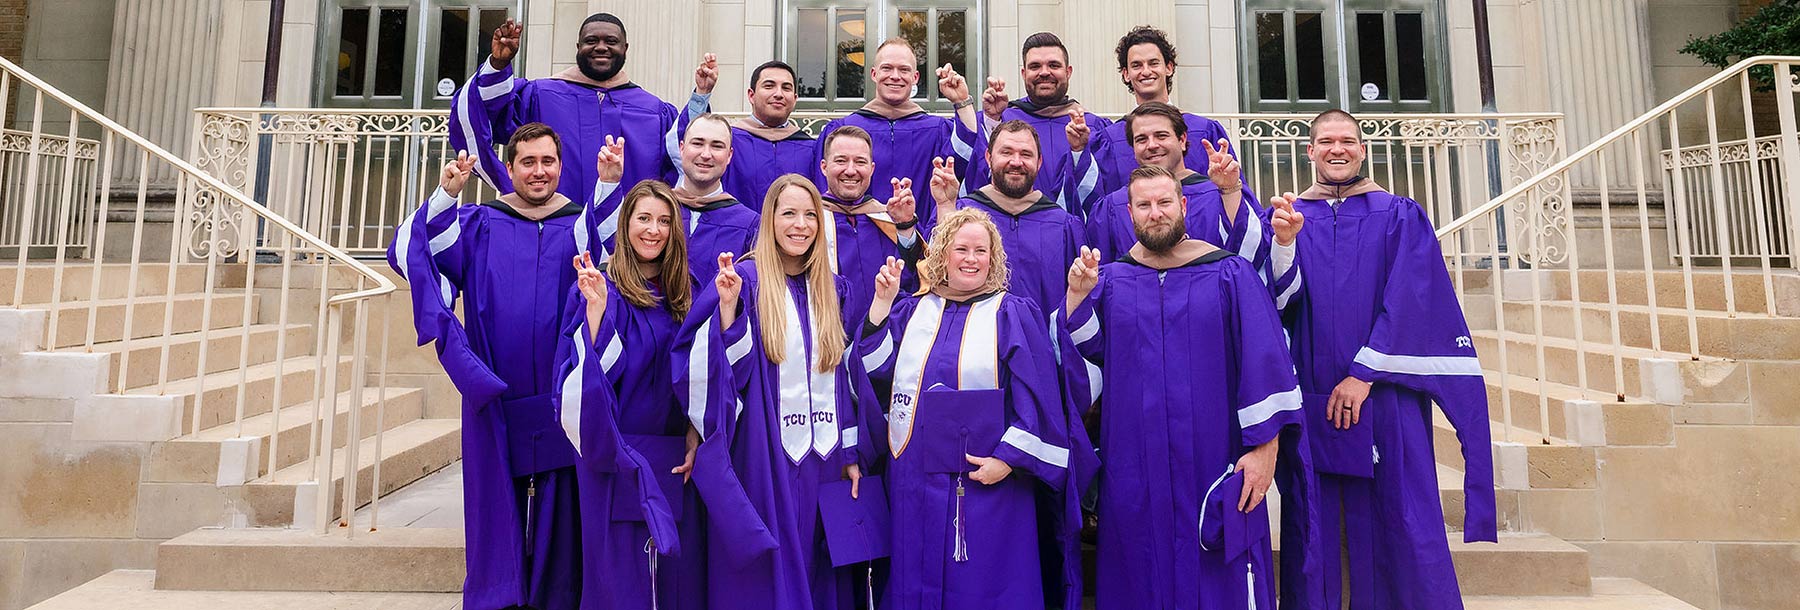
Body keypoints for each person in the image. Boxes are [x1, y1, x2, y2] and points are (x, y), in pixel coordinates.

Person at [1061, 165, 1323, 610]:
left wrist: (1265, 450)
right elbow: (1088, 357)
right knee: (1138, 572)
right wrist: (1075, 297)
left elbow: (1266, 362)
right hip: (1134, 465)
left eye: (1164, 202)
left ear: (1183, 206)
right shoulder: (1112, 281)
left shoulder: (1230, 274)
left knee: (1219, 572)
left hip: (1213, 460)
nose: (1155, 212)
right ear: (1130, 214)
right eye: (1144, 205)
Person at [1278, 109, 1496, 609]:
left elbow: (1413, 298)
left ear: (1362, 148)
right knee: (1314, 525)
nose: (1338, 149)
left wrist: (1363, 374)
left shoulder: (1399, 213)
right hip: (1313, 394)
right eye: (1326, 141)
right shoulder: (1292, 220)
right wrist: (1284, 245)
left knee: (1401, 517)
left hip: (1386, 398)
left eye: (1348, 141)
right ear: (1309, 151)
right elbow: (1277, 303)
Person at [387, 123, 587, 610]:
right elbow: (409, 252)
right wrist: (445, 195)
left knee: (564, 504)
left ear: (560, 167)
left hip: (566, 388)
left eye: (547, 162)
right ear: (510, 167)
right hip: (496, 389)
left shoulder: (583, 225)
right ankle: (498, 598)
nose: (539, 172)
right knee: (495, 498)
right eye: (528, 162)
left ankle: (557, 598)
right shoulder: (479, 223)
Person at [855, 209, 1080, 610]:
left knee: (981, 588)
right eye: (961, 249)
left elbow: (1039, 395)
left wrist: (1009, 460)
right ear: (942, 255)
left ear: (994, 259)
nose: (971, 258)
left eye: (981, 250)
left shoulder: (1011, 312)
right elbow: (875, 373)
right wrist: (880, 306)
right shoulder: (912, 311)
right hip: (915, 482)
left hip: (988, 484)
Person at [672, 174, 878, 610]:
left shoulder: (834, 289)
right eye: (788, 213)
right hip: (762, 453)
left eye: (809, 215)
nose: (800, 224)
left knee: (822, 566)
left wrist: (851, 453)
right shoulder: (741, 281)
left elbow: (847, 382)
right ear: (769, 219)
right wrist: (729, 315)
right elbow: (714, 369)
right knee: (767, 574)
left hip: (825, 458)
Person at [557, 180, 704, 610]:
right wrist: (597, 313)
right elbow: (578, 377)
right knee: (619, 573)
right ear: (625, 225)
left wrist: (697, 431)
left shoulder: (687, 291)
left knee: (675, 572)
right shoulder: (597, 288)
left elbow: (703, 373)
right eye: (644, 219)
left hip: (677, 452)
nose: (653, 230)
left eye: (663, 220)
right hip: (614, 451)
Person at [451, 14, 713, 210]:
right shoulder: (539, 95)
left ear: (625, 49)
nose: (601, 47)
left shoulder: (652, 110)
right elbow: (484, 114)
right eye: (591, 41)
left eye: (611, 41)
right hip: (550, 227)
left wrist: (700, 96)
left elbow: (681, 155)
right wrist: (498, 64)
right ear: (578, 47)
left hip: (626, 242)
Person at [1082, 103, 1294, 305]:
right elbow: (1104, 279)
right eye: (1141, 139)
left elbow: (1250, 260)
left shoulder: (1220, 192)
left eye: (1161, 135)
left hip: (1212, 320)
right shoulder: (1114, 205)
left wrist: (1229, 191)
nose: (1152, 145)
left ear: (1182, 140)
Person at [814, 37, 985, 230]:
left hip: (922, 246)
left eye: (904, 70)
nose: (895, 76)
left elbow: (966, 158)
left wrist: (961, 100)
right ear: (873, 74)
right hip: (853, 242)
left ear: (915, 77)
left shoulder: (937, 131)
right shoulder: (841, 131)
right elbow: (824, 194)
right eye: (887, 68)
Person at [927, 120, 1085, 317]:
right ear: (988, 157)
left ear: (1039, 162)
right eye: (1006, 152)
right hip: (974, 340)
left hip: (1042, 345)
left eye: (1026, 154)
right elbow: (933, 275)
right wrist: (945, 207)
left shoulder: (1063, 225)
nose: (1016, 162)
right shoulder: (960, 212)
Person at [593, 114, 758, 284]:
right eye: (697, 143)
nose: (706, 154)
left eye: (717, 146)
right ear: (681, 148)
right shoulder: (653, 208)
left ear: (729, 155)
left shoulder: (749, 225)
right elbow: (617, 249)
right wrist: (609, 182)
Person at [1081, 26, 1236, 198]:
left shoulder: (1204, 130)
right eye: (1136, 65)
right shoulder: (1111, 138)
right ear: (1126, 74)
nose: (1146, 71)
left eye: (1153, 63)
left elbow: (1233, 194)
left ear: (1169, 68)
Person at [975, 32, 1111, 213]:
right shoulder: (1001, 119)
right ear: (1024, 73)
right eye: (1035, 66)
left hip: (1071, 233)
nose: (1044, 72)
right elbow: (976, 175)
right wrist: (992, 120)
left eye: (1053, 65)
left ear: (1068, 72)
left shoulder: (1093, 127)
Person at [816, 125, 925, 326]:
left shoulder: (884, 218)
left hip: (884, 340)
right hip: (825, 337)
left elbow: (914, 281)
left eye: (860, 162)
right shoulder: (810, 222)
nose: (850, 170)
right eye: (841, 161)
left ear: (872, 169)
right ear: (824, 167)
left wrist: (905, 226)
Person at [723, 61, 822, 210]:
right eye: (769, 86)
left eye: (786, 88)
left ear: (794, 99)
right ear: (751, 95)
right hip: (740, 232)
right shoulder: (729, 141)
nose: (778, 94)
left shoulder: (810, 148)